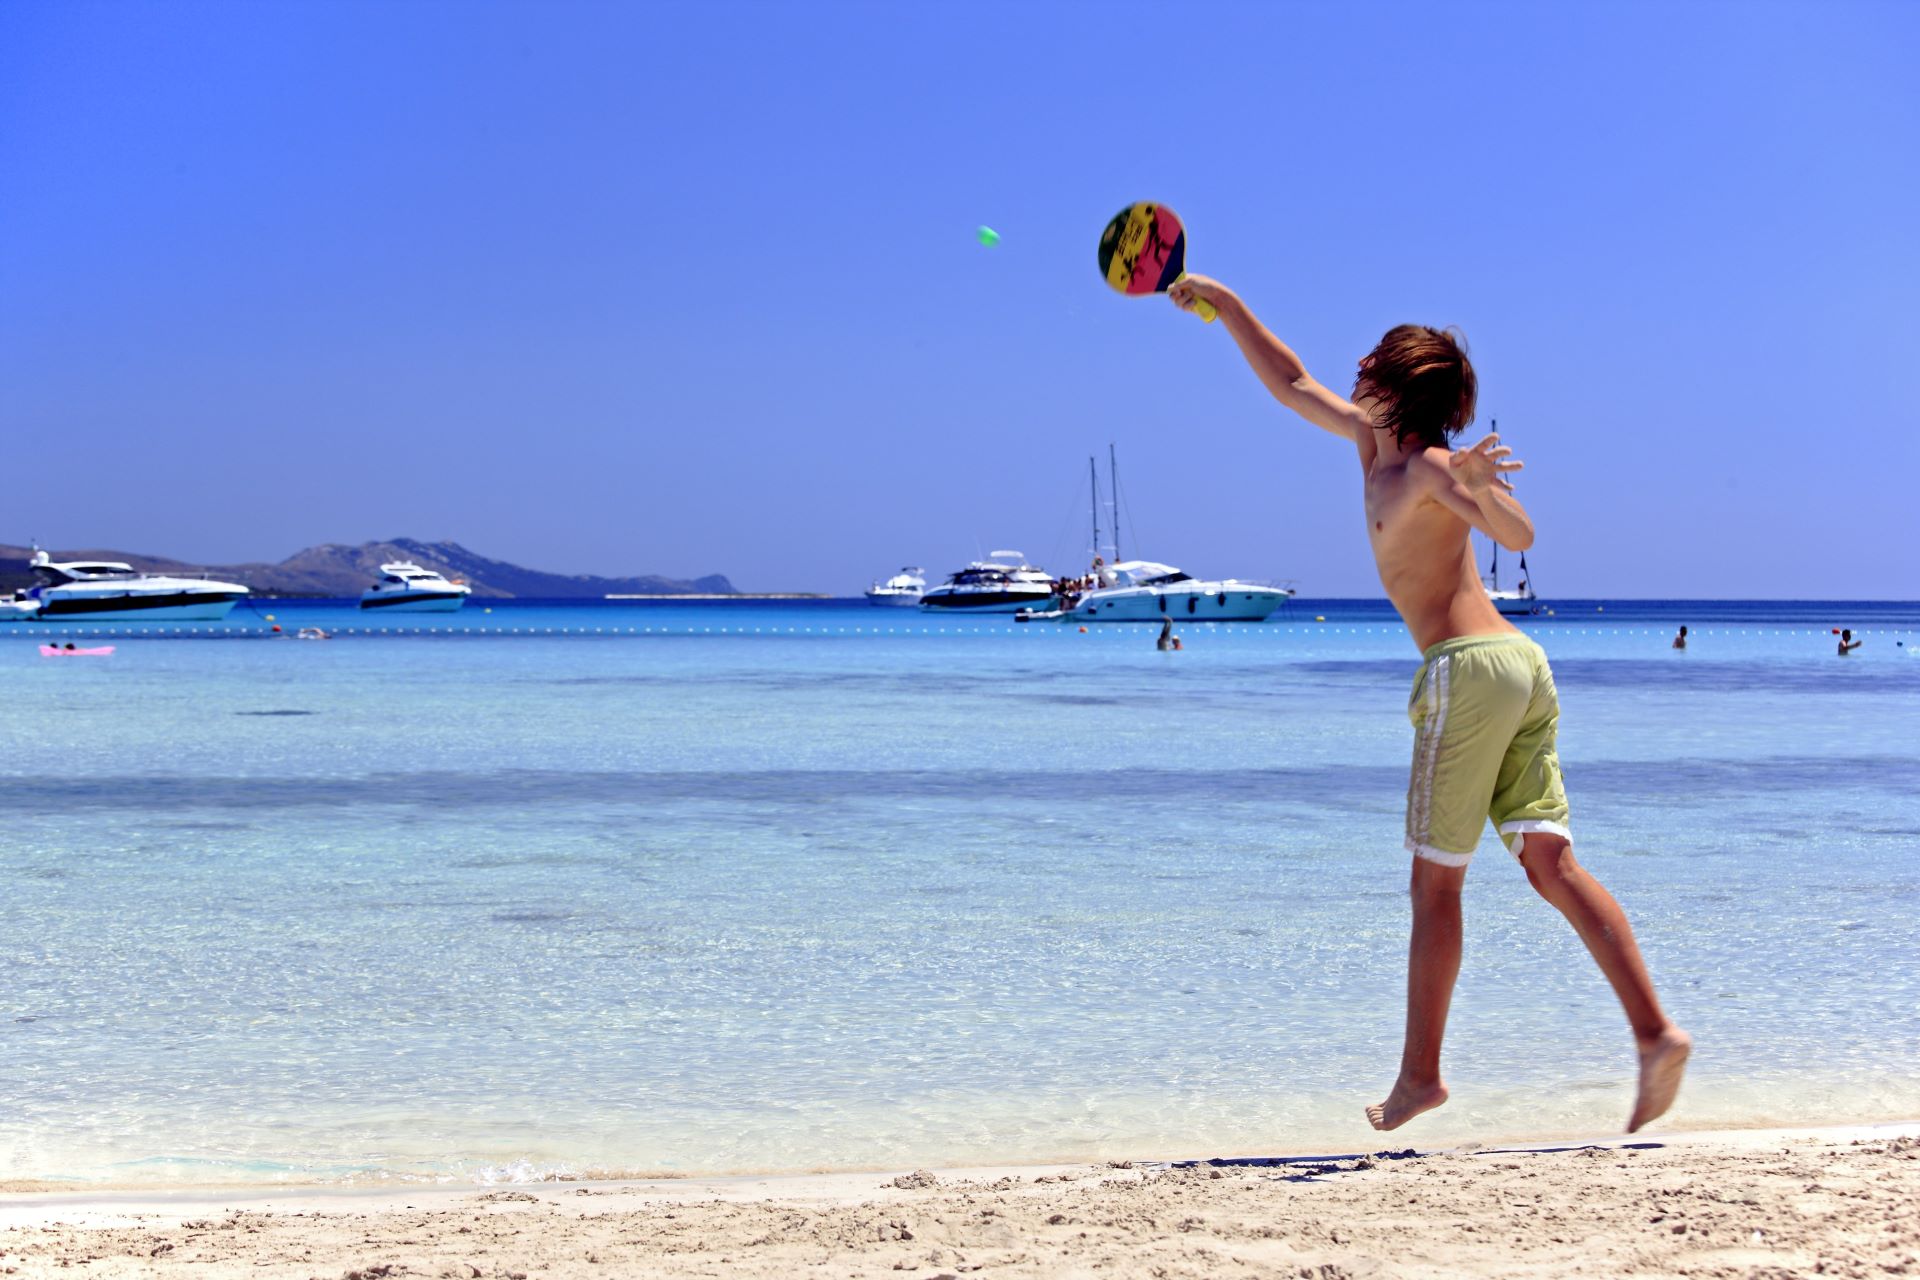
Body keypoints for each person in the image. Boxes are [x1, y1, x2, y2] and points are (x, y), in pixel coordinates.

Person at [1166, 275, 1690, 1134]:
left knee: (1433, 885)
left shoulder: (1430, 465)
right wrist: (1223, 303)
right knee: (1550, 867)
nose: (1356, 365)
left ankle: (1421, 1076)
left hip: (1470, 671)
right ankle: (1655, 1033)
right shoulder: (1373, 448)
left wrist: (1480, 487)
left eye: (1372, 361)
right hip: (1521, 668)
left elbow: (1519, 538)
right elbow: (1291, 382)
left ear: (1400, 388)